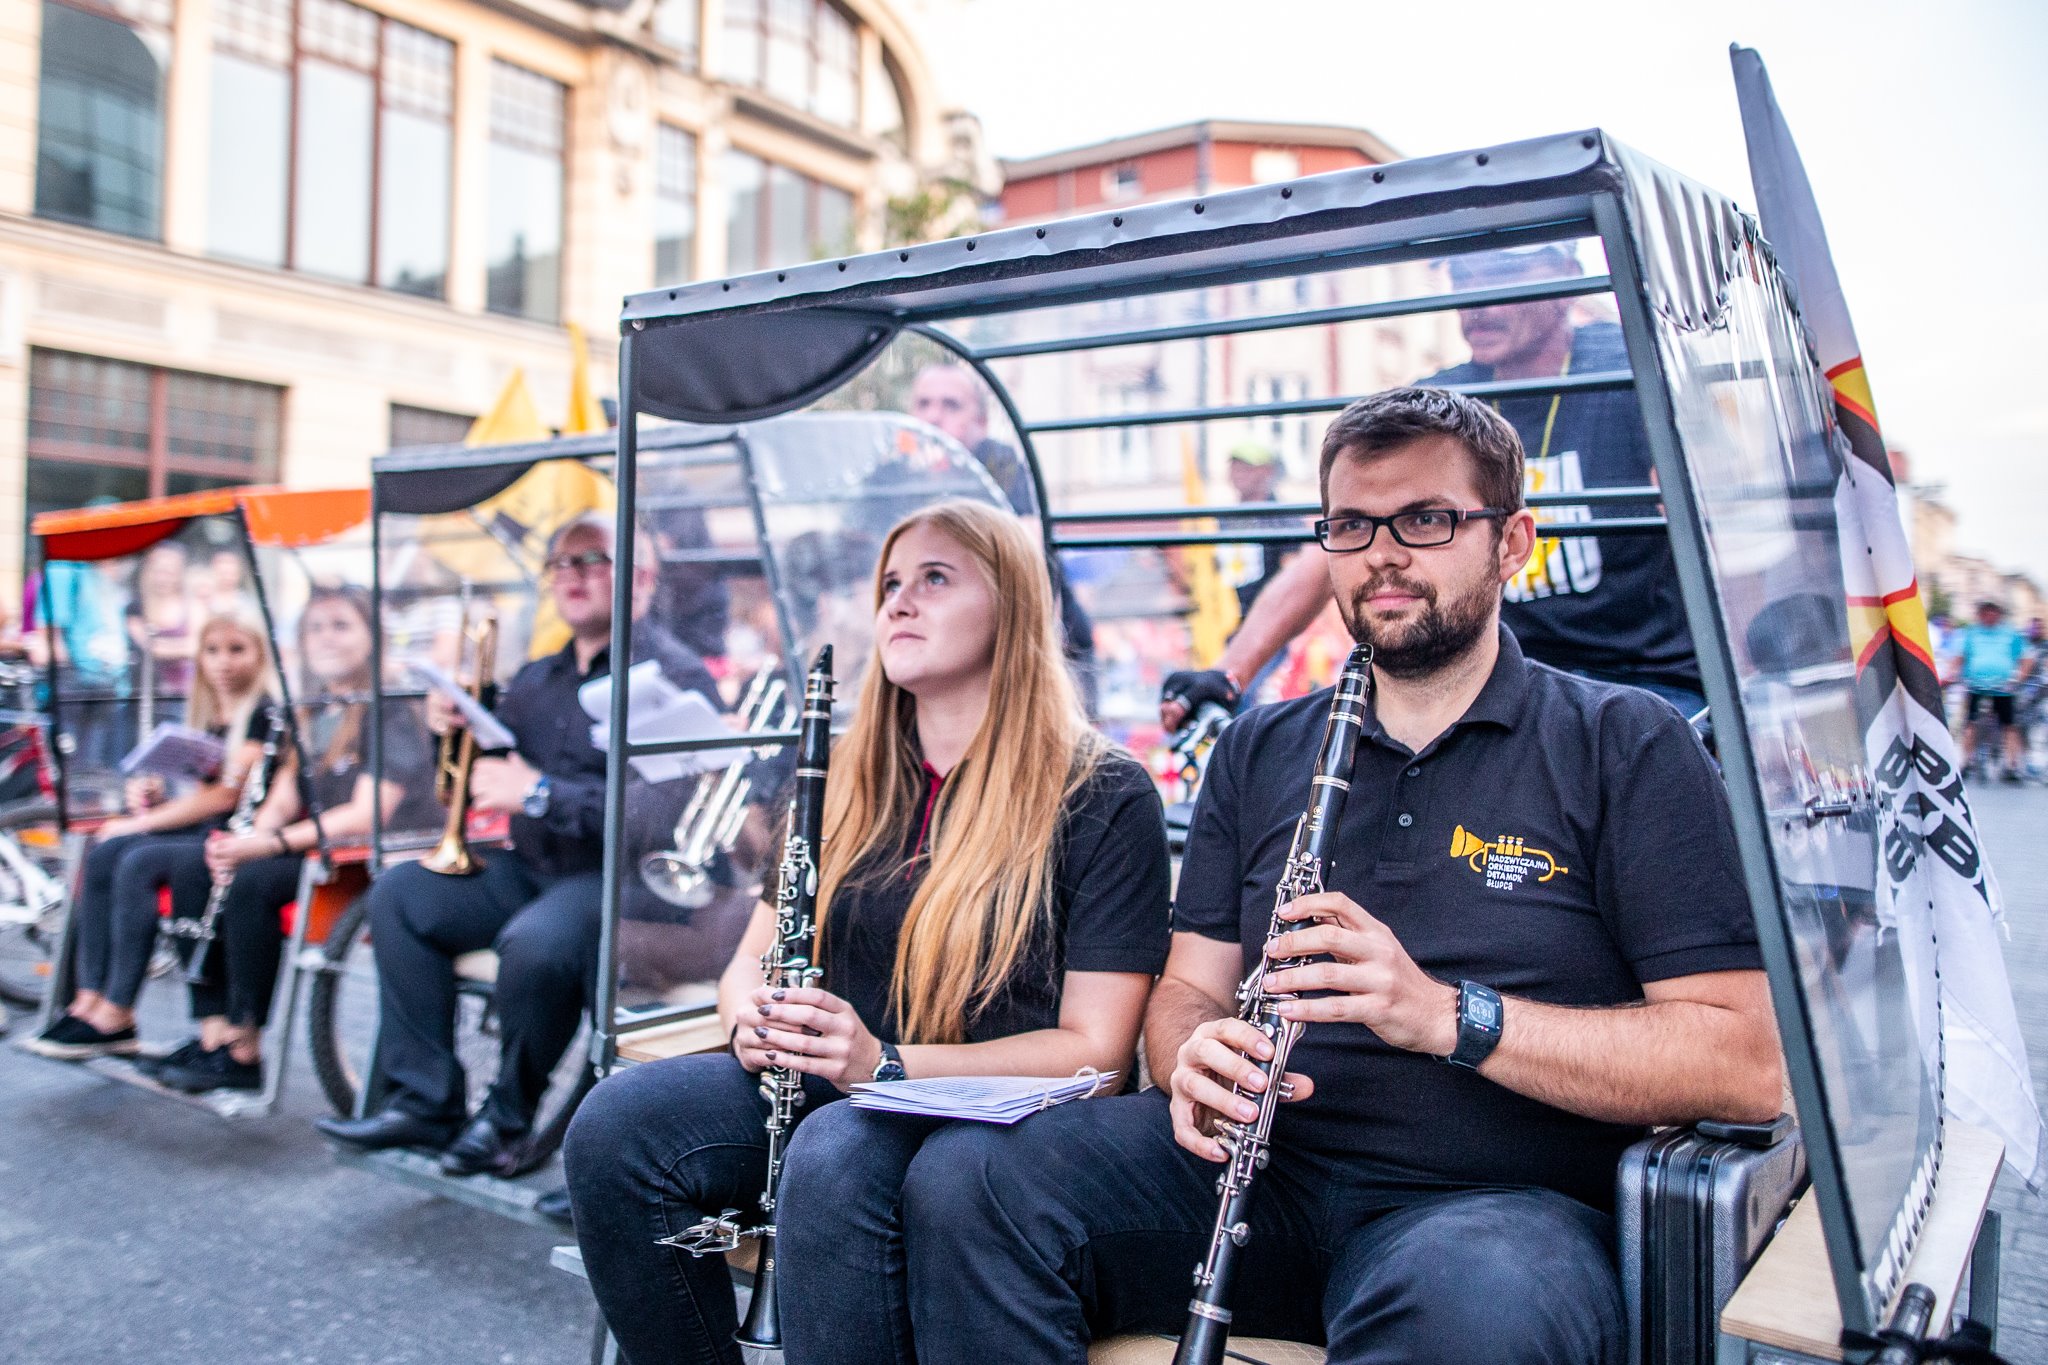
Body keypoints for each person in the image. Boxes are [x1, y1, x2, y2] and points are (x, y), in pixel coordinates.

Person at [902, 389, 1781, 1365]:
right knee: (968, 1181)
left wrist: (1446, 1015)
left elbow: (1743, 1062)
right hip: (1259, 1175)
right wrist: (1193, 1056)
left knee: (1470, 1311)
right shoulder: (1258, 749)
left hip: (1490, 1209)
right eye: (1352, 525)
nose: (1382, 555)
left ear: (1512, 543)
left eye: (1426, 519)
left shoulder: (1625, 742)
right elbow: (1188, 986)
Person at [559, 499, 1172, 1365]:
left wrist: (881, 1063)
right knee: (615, 1127)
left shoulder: (1102, 792)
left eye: (935, 578)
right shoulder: (843, 772)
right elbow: (749, 961)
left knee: (837, 1153)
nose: (899, 602)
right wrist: (751, 1020)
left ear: (1012, 606)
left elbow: (1097, 1057)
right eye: (890, 584)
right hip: (833, 1083)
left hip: (982, 1113)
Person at [316, 515, 721, 1173]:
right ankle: (425, 1100)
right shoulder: (536, 677)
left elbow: (661, 815)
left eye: (593, 560)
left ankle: (507, 1119)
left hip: (620, 880)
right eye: (561, 563)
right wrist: (449, 725)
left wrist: (538, 794)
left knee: (535, 943)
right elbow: (475, 774)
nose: (572, 575)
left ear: (643, 579)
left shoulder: (677, 675)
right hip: (535, 867)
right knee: (398, 894)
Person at [1162, 244, 1701, 731]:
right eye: (1463, 279)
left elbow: (1709, 518)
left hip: (1644, 678)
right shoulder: (1443, 406)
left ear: (1564, 279)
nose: (1476, 303)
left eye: (1499, 275)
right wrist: (1229, 674)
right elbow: (1335, 545)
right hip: (1498, 683)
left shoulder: (1628, 372)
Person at [147, 585, 440, 1094]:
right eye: (316, 627)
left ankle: (244, 1046)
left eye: (341, 625)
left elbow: (366, 814)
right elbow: (283, 795)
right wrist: (244, 840)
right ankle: (214, 1035)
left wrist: (267, 845)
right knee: (199, 865)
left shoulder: (390, 707)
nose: (326, 638)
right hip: (310, 844)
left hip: (365, 854)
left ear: (372, 636)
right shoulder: (314, 708)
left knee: (252, 883)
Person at [24, 607, 280, 1060]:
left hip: (236, 836)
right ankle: (89, 998)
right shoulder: (210, 711)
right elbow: (207, 791)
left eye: (237, 650)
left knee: (136, 859)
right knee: (104, 853)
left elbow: (227, 795)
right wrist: (157, 798)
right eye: (213, 650)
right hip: (207, 828)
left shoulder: (264, 712)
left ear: (260, 654)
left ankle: (118, 1009)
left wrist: (141, 822)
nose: (223, 662)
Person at [911, 363, 1100, 709]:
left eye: (951, 405)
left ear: (980, 422)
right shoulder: (893, 475)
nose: (934, 417)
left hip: (1044, 645)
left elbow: (1029, 547)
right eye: (923, 404)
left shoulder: (998, 463)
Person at [1955, 598, 2032, 781]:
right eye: (1985, 611)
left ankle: (2012, 767)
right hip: (1975, 685)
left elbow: (2027, 658)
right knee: (1970, 724)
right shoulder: (1971, 633)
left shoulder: (2010, 633)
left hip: (2004, 687)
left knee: (2009, 726)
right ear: (1980, 614)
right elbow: (1959, 657)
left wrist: (2019, 678)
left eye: (1992, 611)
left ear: (1998, 614)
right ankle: (1965, 762)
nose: (1989, 615)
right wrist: (1954, 675)